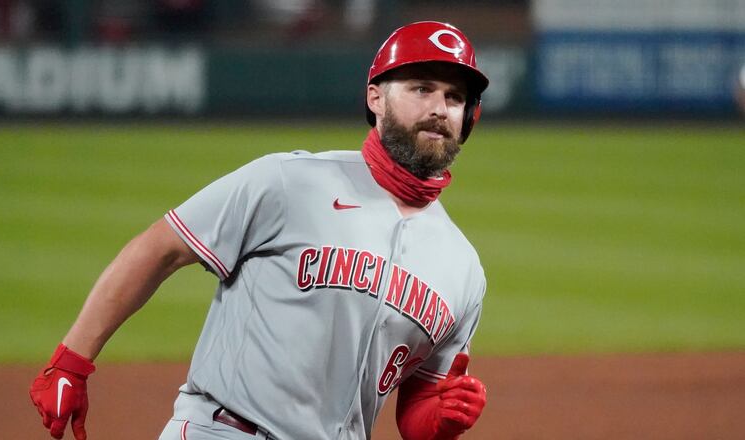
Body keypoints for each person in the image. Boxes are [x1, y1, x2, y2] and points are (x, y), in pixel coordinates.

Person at [30, 20, 490, 440]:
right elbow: (161, 248)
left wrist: (443, 418)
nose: (439, 108)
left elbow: (417, 410)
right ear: (376, 98)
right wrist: (71, 361)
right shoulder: (289, 181)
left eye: (454, 97)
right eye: (421, 88)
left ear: (469, 117)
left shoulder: (463, 269)